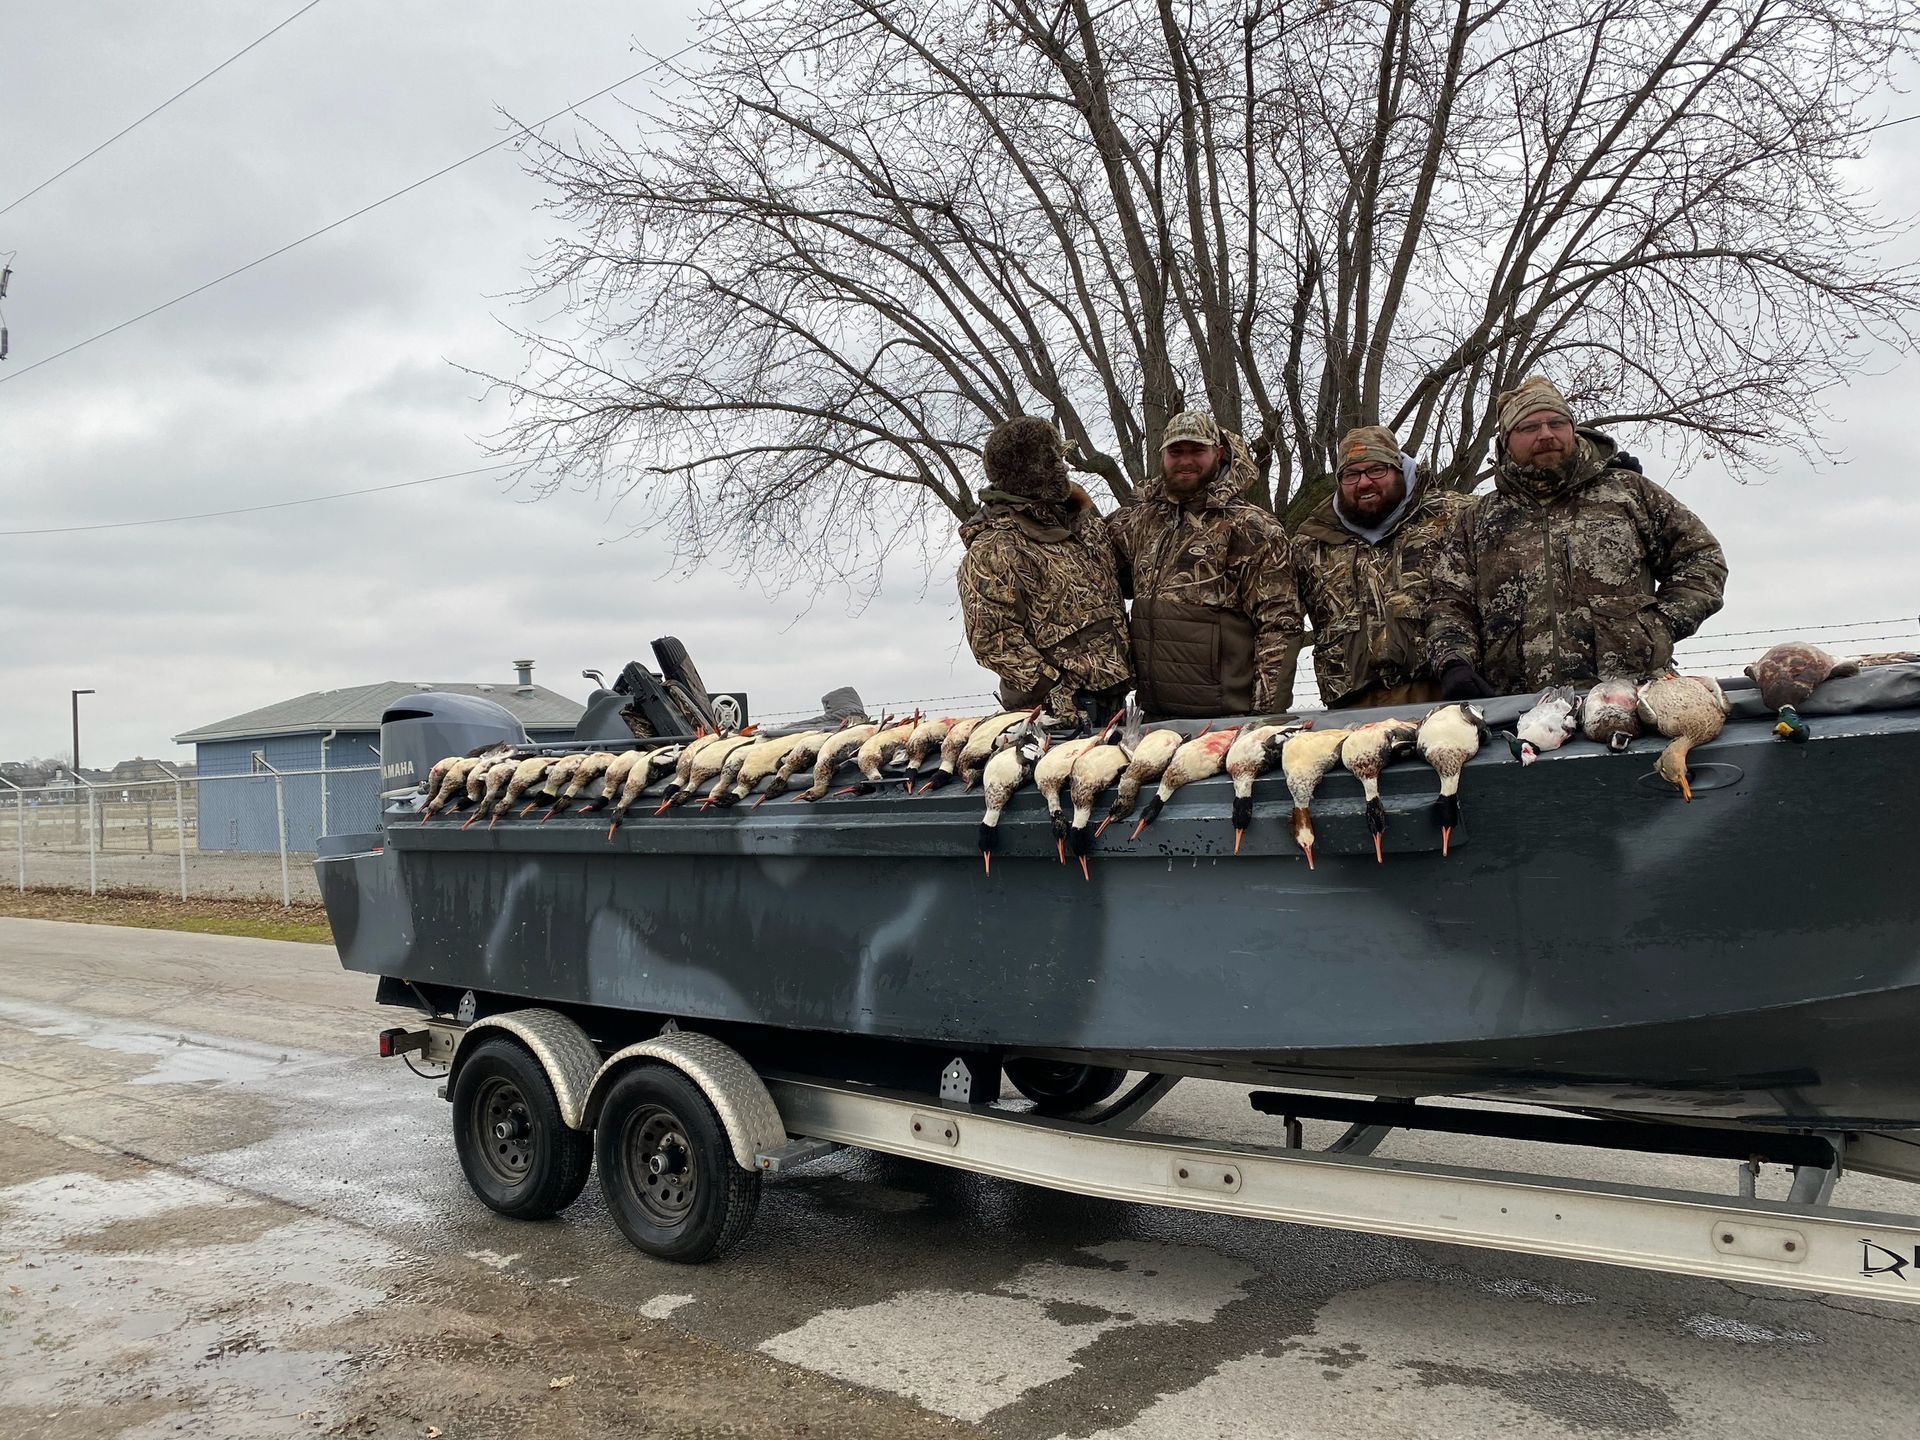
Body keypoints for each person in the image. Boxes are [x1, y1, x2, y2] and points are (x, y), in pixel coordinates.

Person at [1426, 375, 1728, 699]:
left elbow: (1701, 556)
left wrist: (1662, 624)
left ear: (1572, 429)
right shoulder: (1479, 519)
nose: (1546, 435)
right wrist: (1454, 661)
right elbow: (1449, 601)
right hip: (1518, 707)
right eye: (1528, 428)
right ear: (1505, 442)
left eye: (1556, 423)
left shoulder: (1627, 492)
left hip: (1633, 695)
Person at [1106, 410, 1303, 718]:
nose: (1186, 460)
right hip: (1153, 716)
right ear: (1163, 455)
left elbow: (1280, 625)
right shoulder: (1140, 519)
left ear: (1219, 453)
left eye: (1197, 450)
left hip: (1225, 719)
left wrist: (1267, 717)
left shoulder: (1251, 527)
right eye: (1176, 451)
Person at [957, 415, 1132, 724]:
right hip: (1058, 714)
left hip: (1114, 699)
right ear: (1035, 473)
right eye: (1057, 461)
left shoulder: (1083, 525)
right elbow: (993, 641)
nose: (1066, 468)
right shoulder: (995, 547)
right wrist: (1057, 693)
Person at [1291, 424, 1471, 708]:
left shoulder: (1455, 517)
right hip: (1352, 709)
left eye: (1377, 470)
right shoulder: (1310, 543)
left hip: (1443, 695)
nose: (1364, 483)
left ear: (1399, 469)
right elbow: (1280, 623)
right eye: (1351, 475)